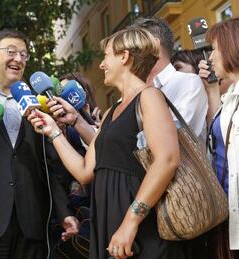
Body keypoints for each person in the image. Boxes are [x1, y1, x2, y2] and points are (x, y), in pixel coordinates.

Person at [29, 27, 187, 259]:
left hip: (142, 224)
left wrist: (130, 222)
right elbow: (84, 171)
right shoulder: (113, 111)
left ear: (124, 57)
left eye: (106, 56)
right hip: (110, 219)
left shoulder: (149, 97)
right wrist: (53, 131)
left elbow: (167, 160)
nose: (102, 64)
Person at [0, 29, 77, 259]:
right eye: (11, 52)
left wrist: (64, 212)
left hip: (31, 227)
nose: (18, 59)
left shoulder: (36, 103)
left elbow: (49, 167)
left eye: (24, 54)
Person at [130, 17, 208, 144]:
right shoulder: (133, 92)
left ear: (154, 46)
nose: (128, 54)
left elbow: (173, 137)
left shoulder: (188, 83)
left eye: (134, 47)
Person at [198, 18, 239, 256]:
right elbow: (221, 130)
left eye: (215, 49)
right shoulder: (232, 94)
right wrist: (212, 89)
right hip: (227, 212)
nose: (210, 57)